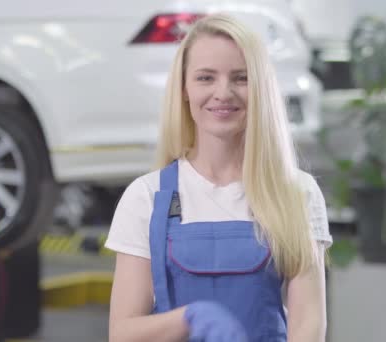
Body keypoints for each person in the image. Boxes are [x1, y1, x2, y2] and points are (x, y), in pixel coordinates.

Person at [105, 13, 333, 342]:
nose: (223, 93)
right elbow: (123, 334)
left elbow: (308, 327)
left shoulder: (296, 193)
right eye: (205, 78)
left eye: (240, 78)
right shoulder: (147, 197)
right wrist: (190, 318)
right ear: (184, 88)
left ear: (261, 88)